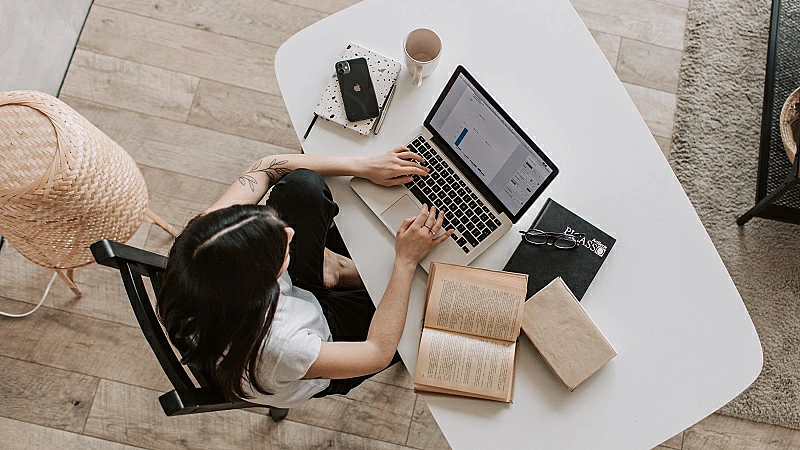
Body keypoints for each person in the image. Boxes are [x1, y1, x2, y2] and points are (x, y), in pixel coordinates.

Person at [157, 147, 453, 408]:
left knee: (302, 185)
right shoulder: (283, 347)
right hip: (323, 343)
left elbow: (264, 167)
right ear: (263, 283)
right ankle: (338, 272)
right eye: (280, 247)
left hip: (278, 307)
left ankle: (333, 271)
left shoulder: (204, 242)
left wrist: (363, 165)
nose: (290, 232)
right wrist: (405, 262)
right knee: (427, 306)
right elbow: (376, 352)